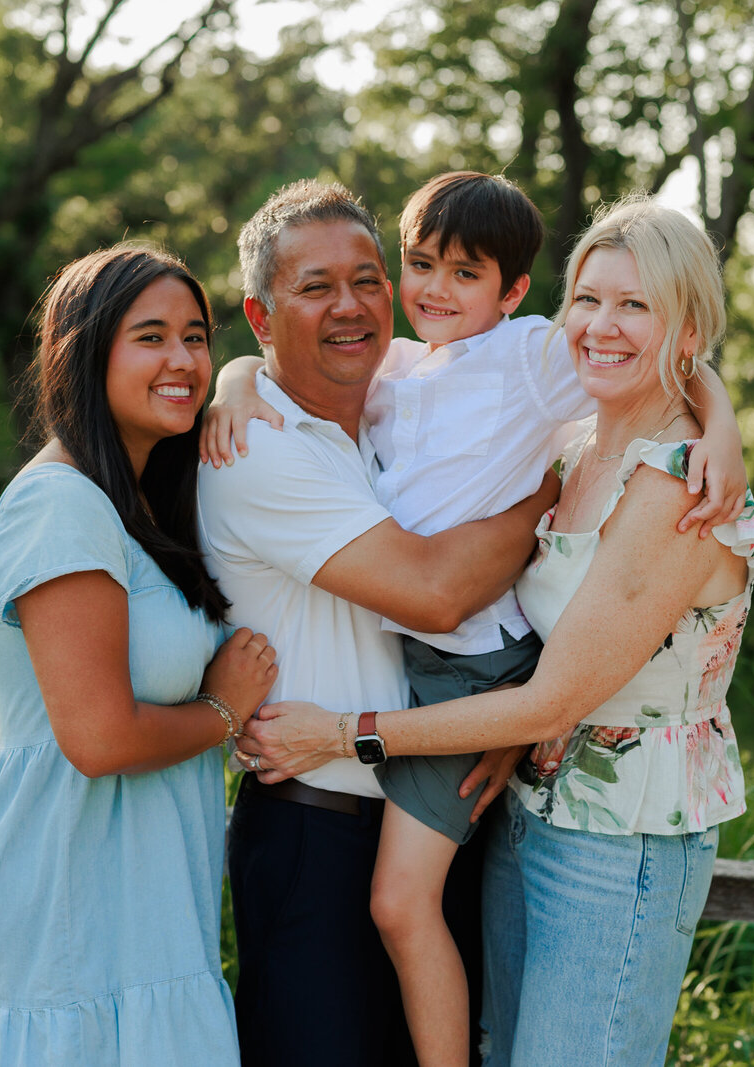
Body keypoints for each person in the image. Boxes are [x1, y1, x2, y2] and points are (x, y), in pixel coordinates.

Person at [203, 173, 747, 1067]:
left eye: (463, 273)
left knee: (406, 915)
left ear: (515, 293)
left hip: (572, 798)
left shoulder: (549, 382)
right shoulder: (402, 381)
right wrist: (232, 378)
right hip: (473, 802)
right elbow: (277, 361)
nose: (432, 290)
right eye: (419, 266)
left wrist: (717, 424)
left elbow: (651, 351)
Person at [196, 178, 562, 1067]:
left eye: (367, 279)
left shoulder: (390, 409)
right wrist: (543, 496)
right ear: (259, 312)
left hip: (429, 807)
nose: (352, 304)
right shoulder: (255, 451)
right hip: (317, 832)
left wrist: (510, 711)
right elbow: (439, 595)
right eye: (315, 286)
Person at [0, 245, 275, 1066]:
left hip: (151, 893)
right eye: (151, 336)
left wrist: (236, 377)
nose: (182, 360)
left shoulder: (131, 501)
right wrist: (223, 711)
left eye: (196, 337)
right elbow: (99, 740)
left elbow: (249, 375)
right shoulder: (59, 508)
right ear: (86, 352)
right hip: (68, 888)